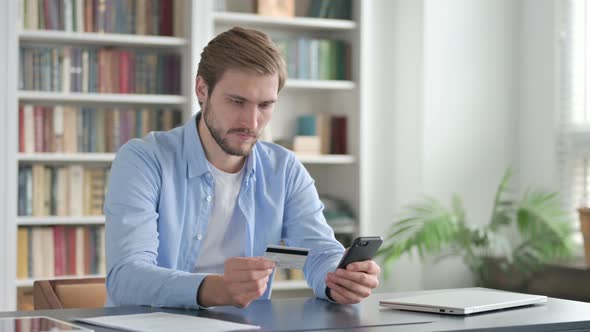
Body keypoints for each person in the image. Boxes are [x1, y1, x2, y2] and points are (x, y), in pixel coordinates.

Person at [104, 26, 381, 309]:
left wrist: (341, 282)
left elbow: (318, 253)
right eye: (237, 102)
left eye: (265, 105)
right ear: (202, 89)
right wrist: (214, 289)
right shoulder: (143, 161)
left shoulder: (283, 170)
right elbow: (126, 277)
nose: (251, 122)